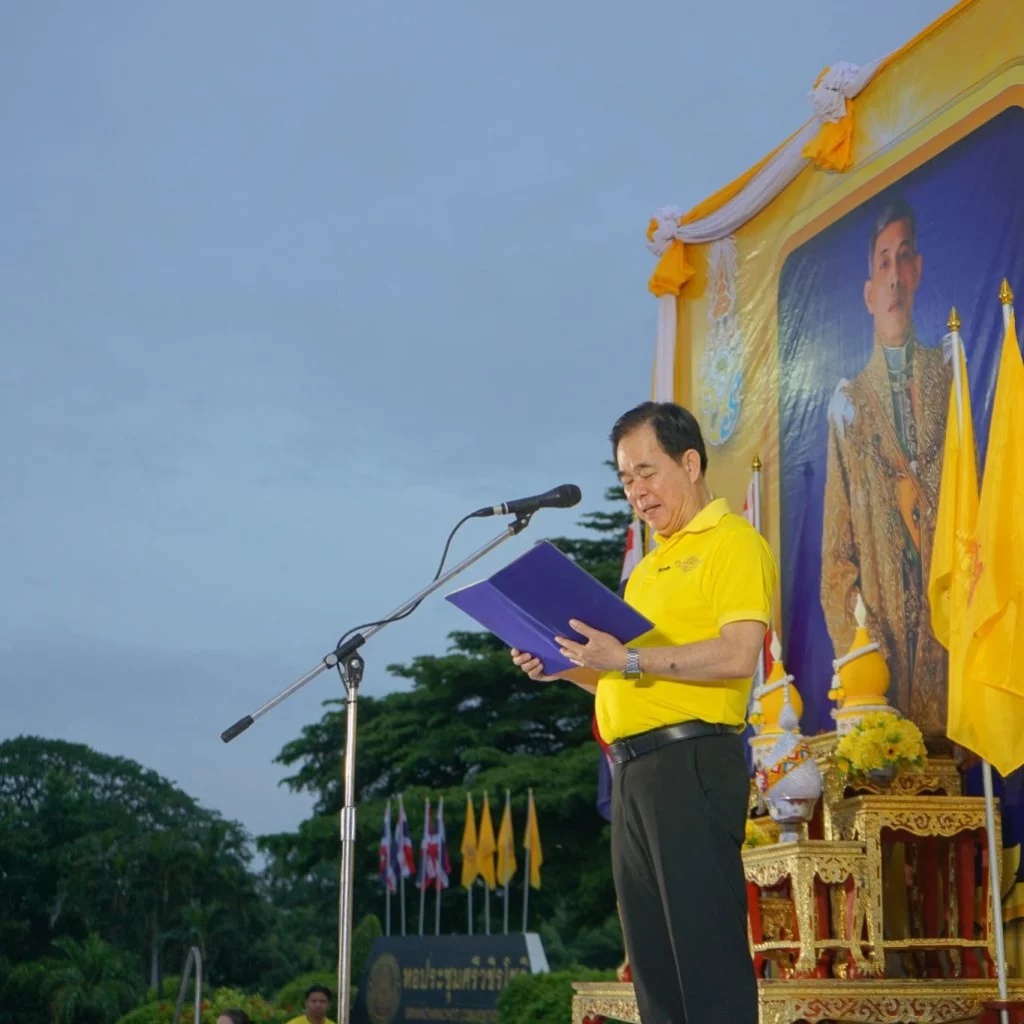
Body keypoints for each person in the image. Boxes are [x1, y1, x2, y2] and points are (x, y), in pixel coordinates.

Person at [512, 401, 776, 1024]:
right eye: (625, 478)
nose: (636, 491)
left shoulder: (733, 541)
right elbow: (629, 679)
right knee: (654, 970)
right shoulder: (647, 566)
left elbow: (738, 654)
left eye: (647, 472)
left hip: (691, 762)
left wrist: (626, 658)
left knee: (706, 964)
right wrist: (563, 667)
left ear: (691, 463)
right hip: (632, 772)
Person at [820, 194, 950, 736]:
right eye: (882, 263)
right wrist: (865, 651)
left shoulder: (951, 380)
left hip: (950, 632)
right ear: (869, 292)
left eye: (902, 259)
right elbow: (836, 556)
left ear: (916, 270)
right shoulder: (849, 405)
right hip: (884, 650)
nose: (894, 276)